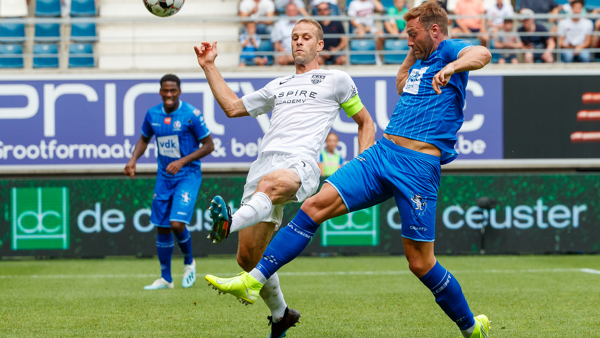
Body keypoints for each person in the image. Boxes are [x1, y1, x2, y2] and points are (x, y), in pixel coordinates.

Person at [205, 2, 492, 338]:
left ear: (434, 30)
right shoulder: (420, 59)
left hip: (418, 167)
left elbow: (482, 53)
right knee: (313, 207)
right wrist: (414, 53)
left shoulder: (449, 51)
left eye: (412, 35)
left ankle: (471, 327)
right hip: (383, 153)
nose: (408, 40)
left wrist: (453, 66)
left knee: (420, 263)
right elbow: (401, 83)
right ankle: (253, 282)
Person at [194, 18, 375, 337]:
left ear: (320, 45)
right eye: (294, 37)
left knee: (270, 186)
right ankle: (281, 315)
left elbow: (365, 123)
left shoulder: (336, 80)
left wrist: (362, 164)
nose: (299, 42)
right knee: (247, 258)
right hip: (262, 165)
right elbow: (233, 108)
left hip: (301, 164)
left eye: (306, 37)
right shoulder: (277, 85)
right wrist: (208, 65)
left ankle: (229, 222)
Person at [124, 74, 214, 290]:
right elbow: (144, 139)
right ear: (160, 91)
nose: (169, 95)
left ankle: (189, 262)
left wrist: (182, 161)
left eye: (173, 90)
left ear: (179, 91)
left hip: (188, 174)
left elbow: (209, 145)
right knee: (162, 227)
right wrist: (133, 159)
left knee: (176, 223)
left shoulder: (191, 115)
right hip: (164, 177)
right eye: (165, 90)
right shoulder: (152, 114)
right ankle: (166, 279)